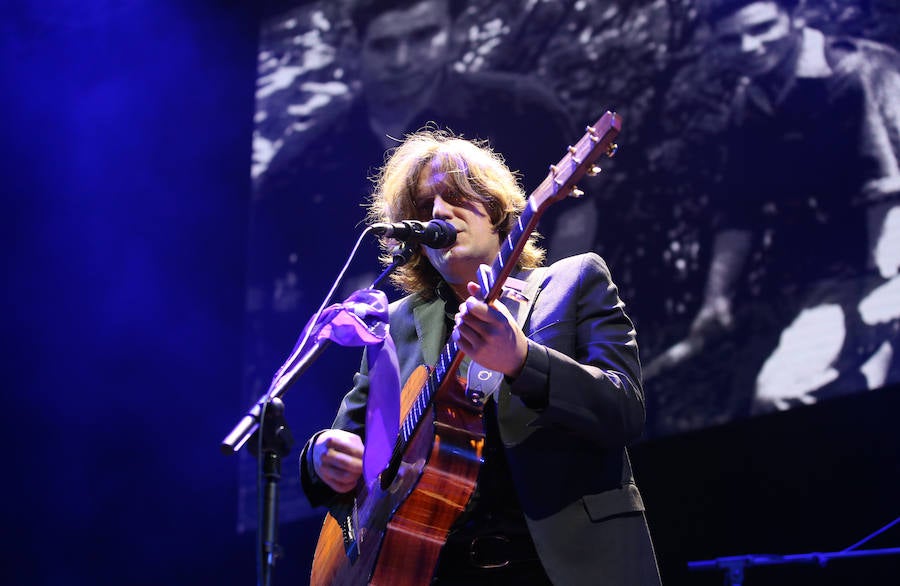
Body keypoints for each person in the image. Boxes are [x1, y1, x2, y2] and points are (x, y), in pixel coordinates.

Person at [298, 130, 662, 585]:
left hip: (559, 566)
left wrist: (523, 359)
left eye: (454, 197)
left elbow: (624, 409)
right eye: (423, 209)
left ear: (495, 208)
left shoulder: (574, 282)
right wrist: (321, 456)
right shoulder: (396, 324)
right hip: (431, 570)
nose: (438, 213)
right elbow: (349, 443)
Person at [246, 0, 575, 425]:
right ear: (354, 48)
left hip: (516, 357)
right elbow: (269, 283)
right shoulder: (302, 162)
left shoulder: (521, 108)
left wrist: (543, 314)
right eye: (384, 45)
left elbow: (574, 216)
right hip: (360, 385)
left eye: (422, 36)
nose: (402, 60)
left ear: (453, 32)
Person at [646, 0, 900, 414]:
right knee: (773, 396)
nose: (749, 46)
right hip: (836, 275)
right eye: (731, 39)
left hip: (886, 263)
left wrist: (886, 284)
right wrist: (716, 301)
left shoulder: (855, 70)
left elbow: (888, 187)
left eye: (762, 28)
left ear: (794, 17)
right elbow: (738, 214)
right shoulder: (751, 105)